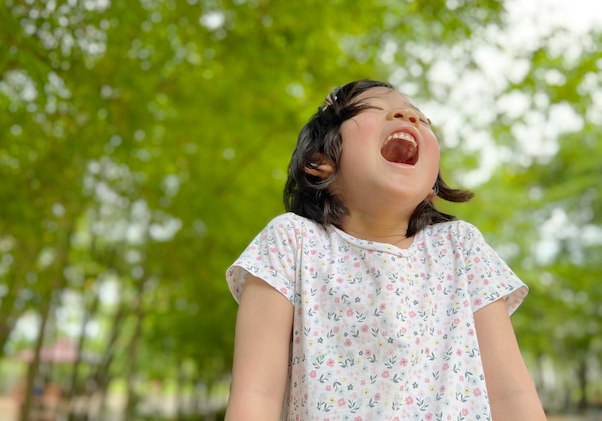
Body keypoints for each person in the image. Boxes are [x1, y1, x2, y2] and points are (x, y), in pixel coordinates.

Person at [225, 79, 546, 420]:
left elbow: (512, 394)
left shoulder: (461, 250)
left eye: (422, 119)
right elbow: (256, 394)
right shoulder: (291, 243)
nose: (409, 117)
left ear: (430, 189)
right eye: (376, 109)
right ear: (319, 162)